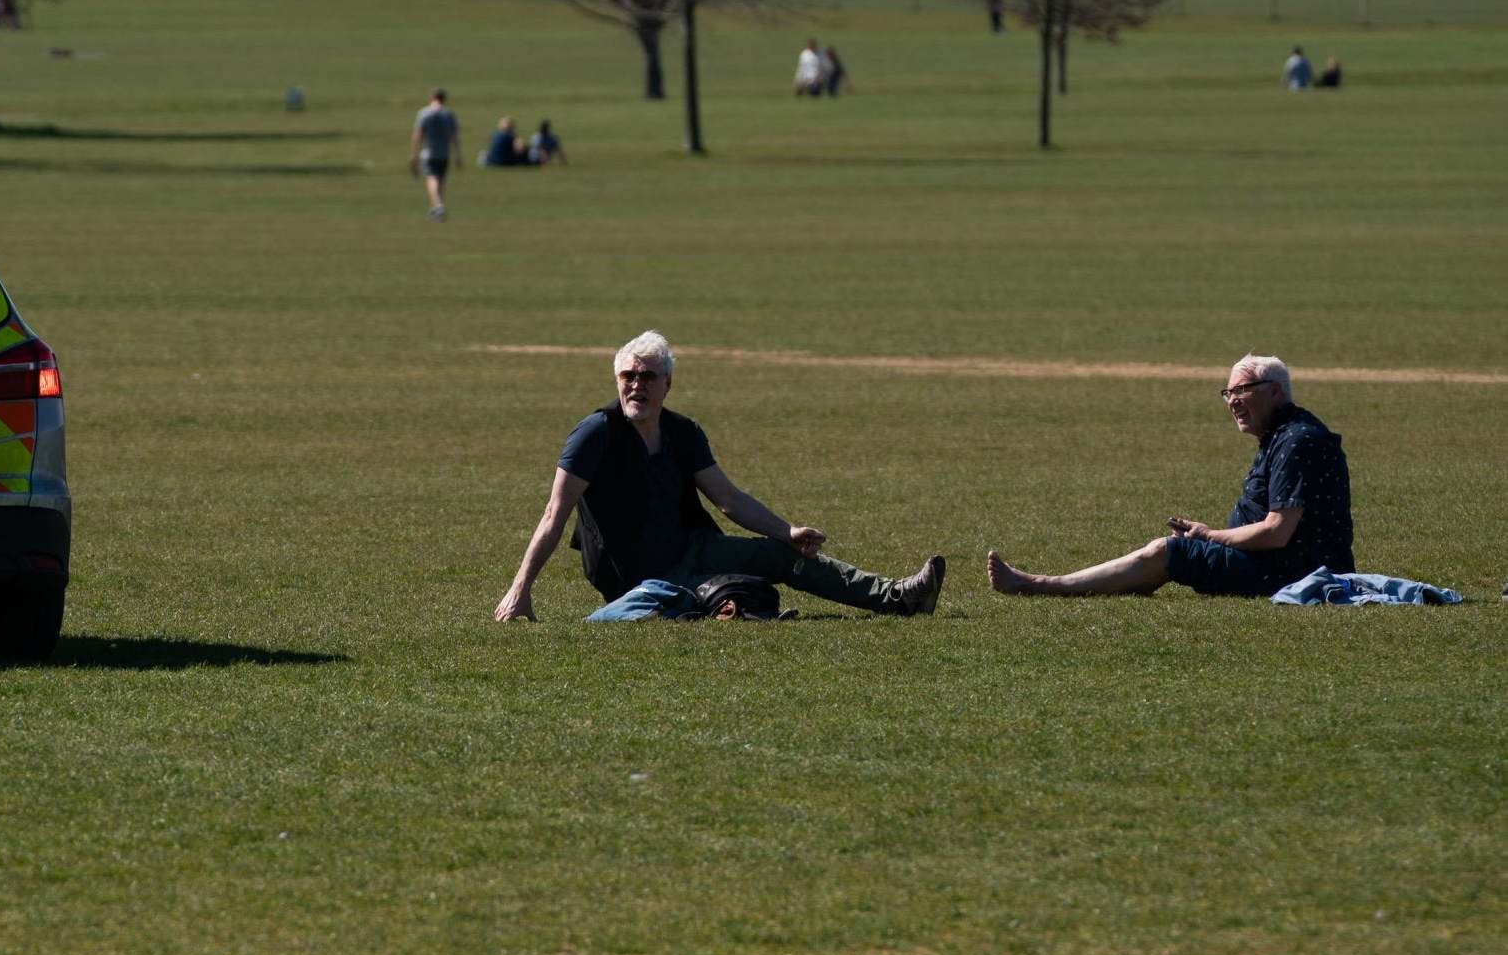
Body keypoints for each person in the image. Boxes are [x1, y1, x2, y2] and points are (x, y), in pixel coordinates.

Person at [494, 332, 946, 624]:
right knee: (681, 600)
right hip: (636, 576)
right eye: (628, 376)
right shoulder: (594, 434)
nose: (637, 385)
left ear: (667, 383)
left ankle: (898, 597)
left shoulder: (683, 432)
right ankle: (725, 608)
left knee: (778, 556)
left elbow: (728, 499)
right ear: (616, 380)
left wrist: (786, 531)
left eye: (648, 376)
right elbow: (556, 512)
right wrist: (520, 590)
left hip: (694, 549)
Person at [987, 354, 1354, 601]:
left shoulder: (1298, 441)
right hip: (1283, 563)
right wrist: (1210, 535)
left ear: (1275, 392)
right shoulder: (1282, 435)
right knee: (1176, 550)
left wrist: (1210, 536)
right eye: (1228, 393)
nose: (1232, 401)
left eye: (1242, 390)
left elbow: (1277, 532)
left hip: (1291, 572)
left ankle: (1038, 585)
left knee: (1166, 550)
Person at [408, 87, 458, 220]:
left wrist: (414, 154)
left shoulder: (424, 113)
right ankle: (436, 208)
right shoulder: (449, 114)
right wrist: (457, 155)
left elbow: (418, 135)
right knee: (441, 180)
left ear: (431, 97)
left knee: (432, 179)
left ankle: (438, 205)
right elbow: (453, 136)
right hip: (444, 152)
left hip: (429, 152)